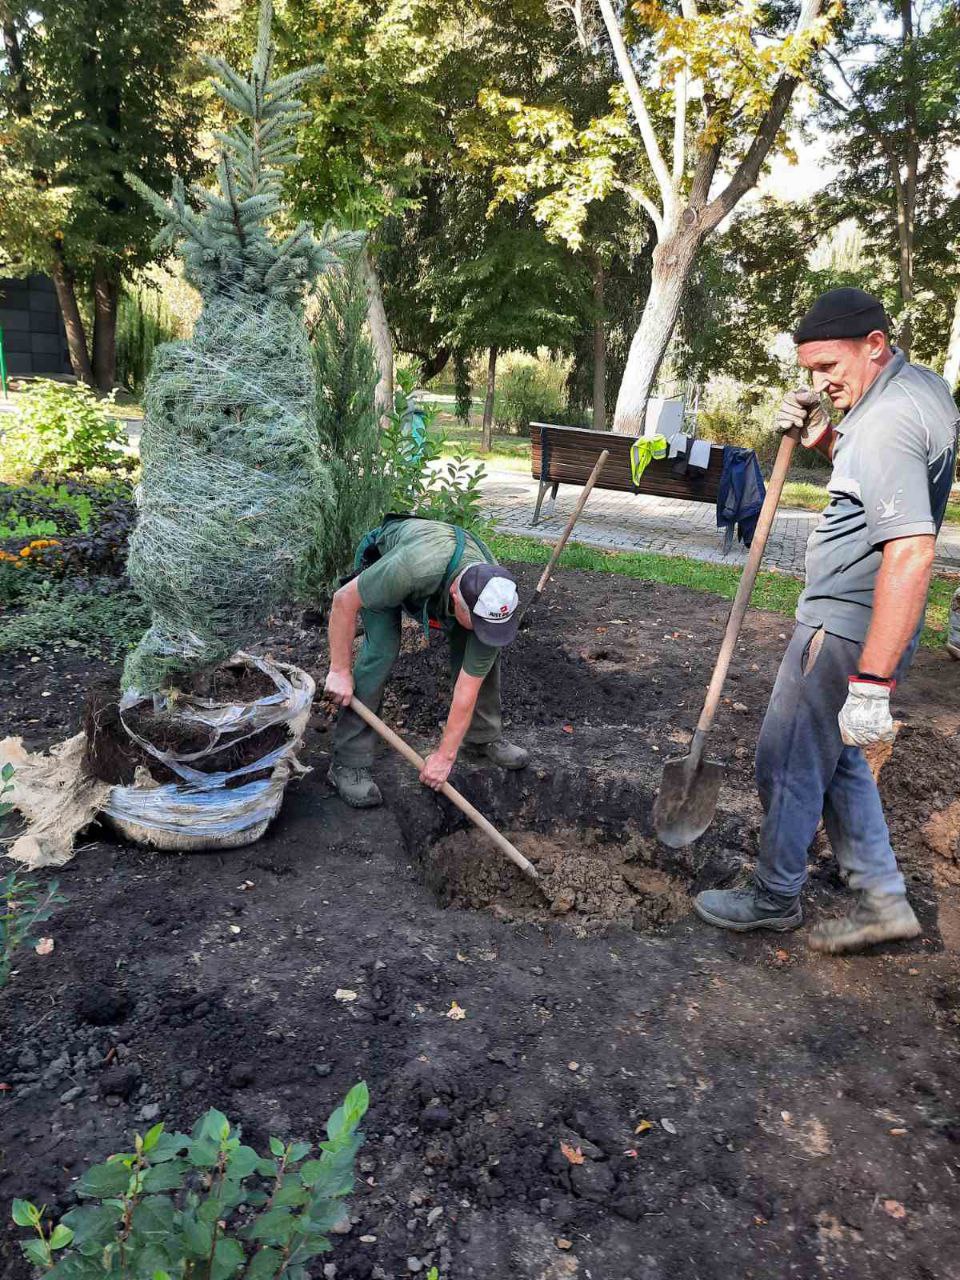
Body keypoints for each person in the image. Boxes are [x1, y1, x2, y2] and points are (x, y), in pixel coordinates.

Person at [695, 287, 960, 953]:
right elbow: (870, 471)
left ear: (875, 344)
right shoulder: (919, 391)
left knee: (785, 760)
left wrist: (871, 681)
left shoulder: (889, 420)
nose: (820, 381)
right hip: (867, 623)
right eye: (810, 371)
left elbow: (911, 550)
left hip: (845, 629)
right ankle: (882, 899)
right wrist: (820, 433)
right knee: (837, 763)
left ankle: (774, 896)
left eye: (828, 366)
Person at [323, 515, 529, 807]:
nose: (485, 631)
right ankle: (348, 762)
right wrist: (339, 669)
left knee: (485, 654)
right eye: (478, 622)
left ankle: (482, 737)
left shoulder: (494, 595)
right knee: (380, 652)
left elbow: (466, 688)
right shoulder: (411, 569)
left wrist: (445, 756)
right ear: (457, 597)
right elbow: (344, 600)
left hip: (447, 587)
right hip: (385, 561)